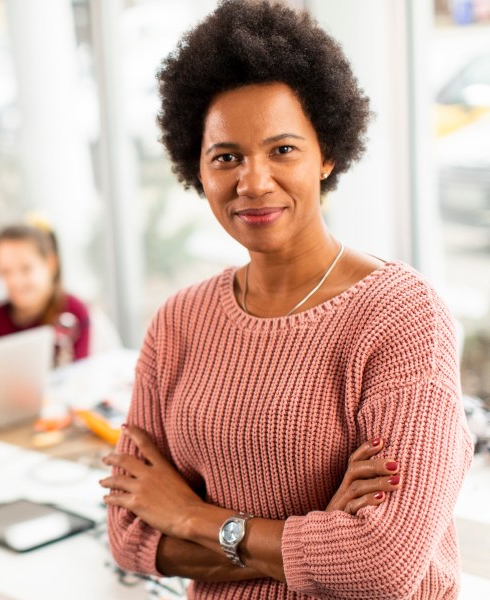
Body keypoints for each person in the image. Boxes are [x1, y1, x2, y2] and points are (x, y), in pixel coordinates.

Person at [99, 2, 473, 599]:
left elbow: (383, 565)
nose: (252, 181)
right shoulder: (178, 322)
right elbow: (130, 536)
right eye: (226, 157)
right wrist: (323, 530)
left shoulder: (402, 315)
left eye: (282, 149)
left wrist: (192, 517)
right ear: (196, 168)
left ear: (326, 154)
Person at [0, 223, 91, 366]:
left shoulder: (73, 311)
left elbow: (78, 374)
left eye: (26, 269)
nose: (15, 281)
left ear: (51, 264)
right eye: (5, 271)